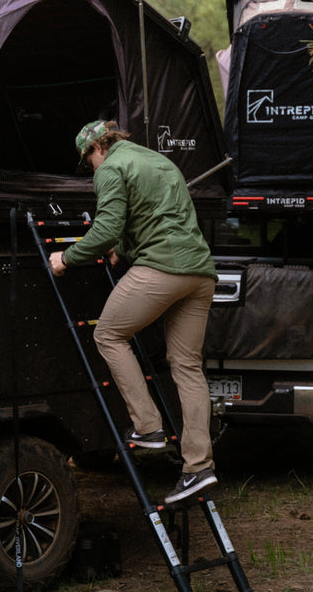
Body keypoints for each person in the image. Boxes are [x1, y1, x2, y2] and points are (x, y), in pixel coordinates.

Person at [49, 120, 218, 504]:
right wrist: (122, 250)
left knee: (108, 334)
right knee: (187, 365)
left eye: (87, 161)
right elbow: (155, 216)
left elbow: (107, 227)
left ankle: (148, 427)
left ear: (96, 150)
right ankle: (199, 467)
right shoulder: (159, 161)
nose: (90, 168)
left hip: (161, 270)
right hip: (200, 273)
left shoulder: (110, 168)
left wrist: (66, 258)